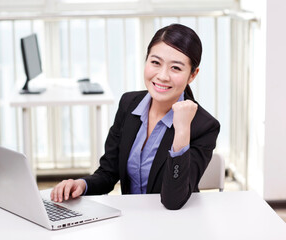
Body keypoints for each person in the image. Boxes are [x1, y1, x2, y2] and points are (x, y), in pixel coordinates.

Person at [51, 23, 220, 210]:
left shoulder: (204, 126)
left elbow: (173, 201)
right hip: (131, 222)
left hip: (174, 224)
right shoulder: (128, 104)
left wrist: (181, 132)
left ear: (192, 75)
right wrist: (83, 184)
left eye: (176, 68)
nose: (162, 76)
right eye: (155, 62)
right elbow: (108, 172)